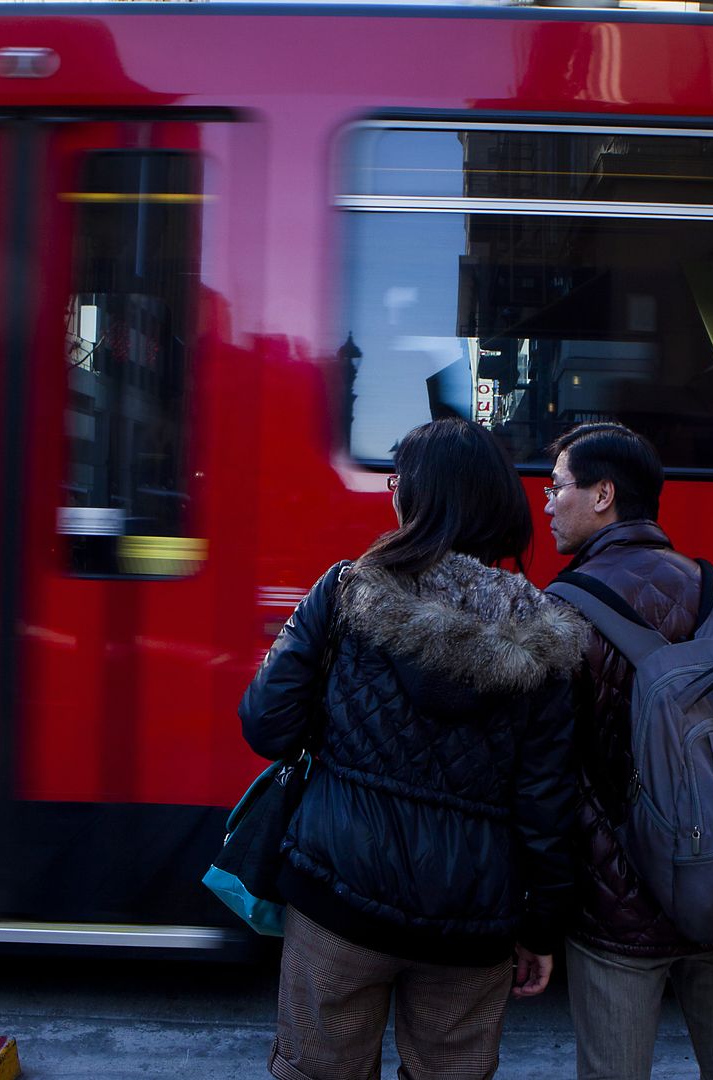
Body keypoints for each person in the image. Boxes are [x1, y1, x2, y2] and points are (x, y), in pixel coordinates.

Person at [239, 416, 587, 1080]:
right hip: (472, 917)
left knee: (318, 1070)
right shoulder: (546, 638)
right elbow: (547, 805)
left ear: (418, 499)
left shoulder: (344, 592)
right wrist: (542, 930)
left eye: (399, 481)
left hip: (338, 889)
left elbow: (266, 726)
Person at [543, 422, 713, 1080]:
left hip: (620, 907)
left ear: (603, 495)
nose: (546, 501)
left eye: (558, 485)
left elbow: (548, 771)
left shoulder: (562, 611)